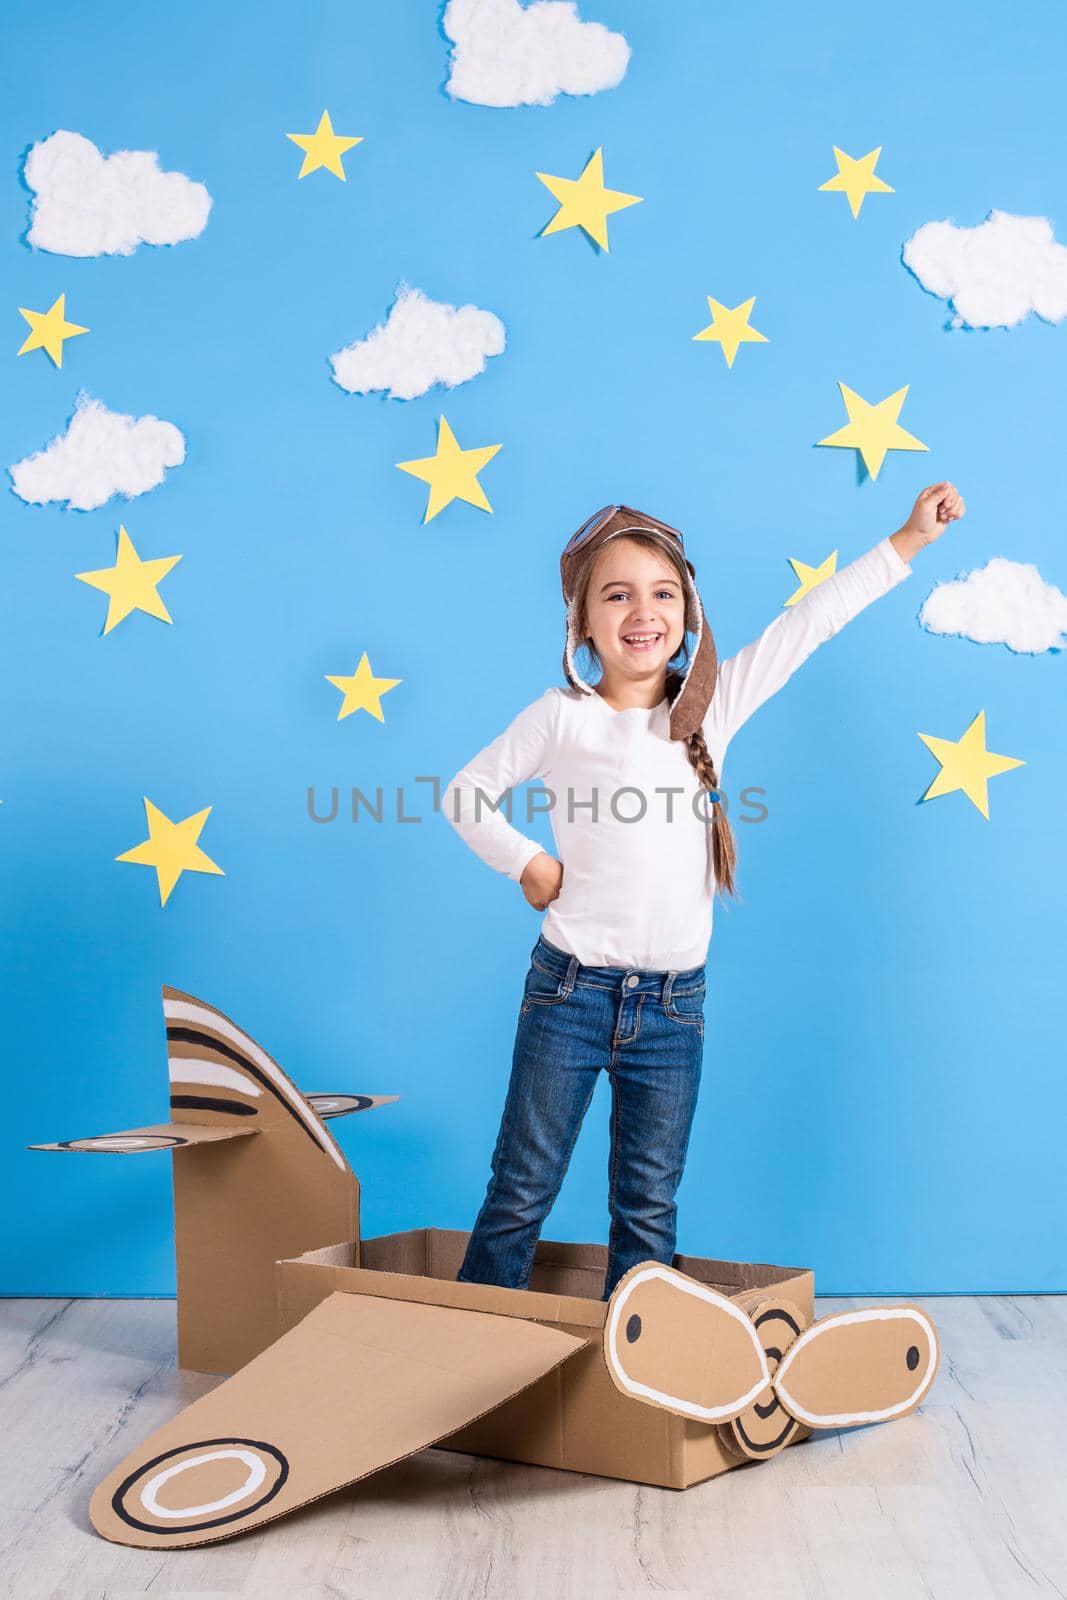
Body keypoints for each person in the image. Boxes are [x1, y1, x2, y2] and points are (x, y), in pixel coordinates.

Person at [442, 484, 965, 1300]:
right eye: (615, 595)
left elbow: (808, 624)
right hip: (568, 995)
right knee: (520, 1192)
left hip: (672, 1011)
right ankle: (461, 1349)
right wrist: (528, 864)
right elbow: (465, 793)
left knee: (647, 1209)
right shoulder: (560, 717)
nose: (640, 612)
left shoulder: (709, 710)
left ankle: (639, 1381)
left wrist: (906, 540)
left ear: (687, 613)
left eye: (662, 594)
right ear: (582, 622)